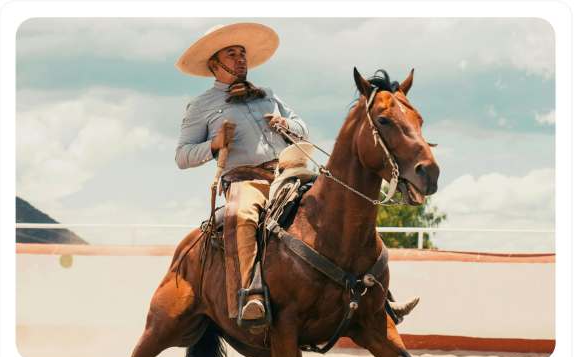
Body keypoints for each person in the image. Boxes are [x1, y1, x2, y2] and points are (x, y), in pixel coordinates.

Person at [174, 23, 419, 324]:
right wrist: (213, 144)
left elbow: (302, 128)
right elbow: (182, 156)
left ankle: (381, 302)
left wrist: (285, 125)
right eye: (231, 53)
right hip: (245, 180)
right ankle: (251, 296)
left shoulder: (269, 95)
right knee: (241, 217)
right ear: (215, 63)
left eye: (242, 53)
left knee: (342, 207)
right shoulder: (200, 107)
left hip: (289, 171)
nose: (241, 59)